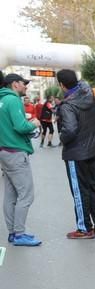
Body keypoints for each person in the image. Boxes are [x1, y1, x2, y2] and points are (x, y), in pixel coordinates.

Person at [56, 69, 95, 239]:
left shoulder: (68, 105)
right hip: (93, 148)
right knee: (93, 186)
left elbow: (69, 129)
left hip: (76, 152)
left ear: (62, 85)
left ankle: (84, 228)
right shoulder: (89, 94)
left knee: (79, 190)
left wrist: (63, 139)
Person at [0, 73, 42, 246]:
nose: (26, 87)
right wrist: (34, 123)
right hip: (15, 152)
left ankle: (13, 233)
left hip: (4, 152)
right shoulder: (13, 100)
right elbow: (20, 126)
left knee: (10, 195)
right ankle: (19, 234)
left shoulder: (2, 100)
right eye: (23, 83)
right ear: (14, 84)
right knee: (26, 195)